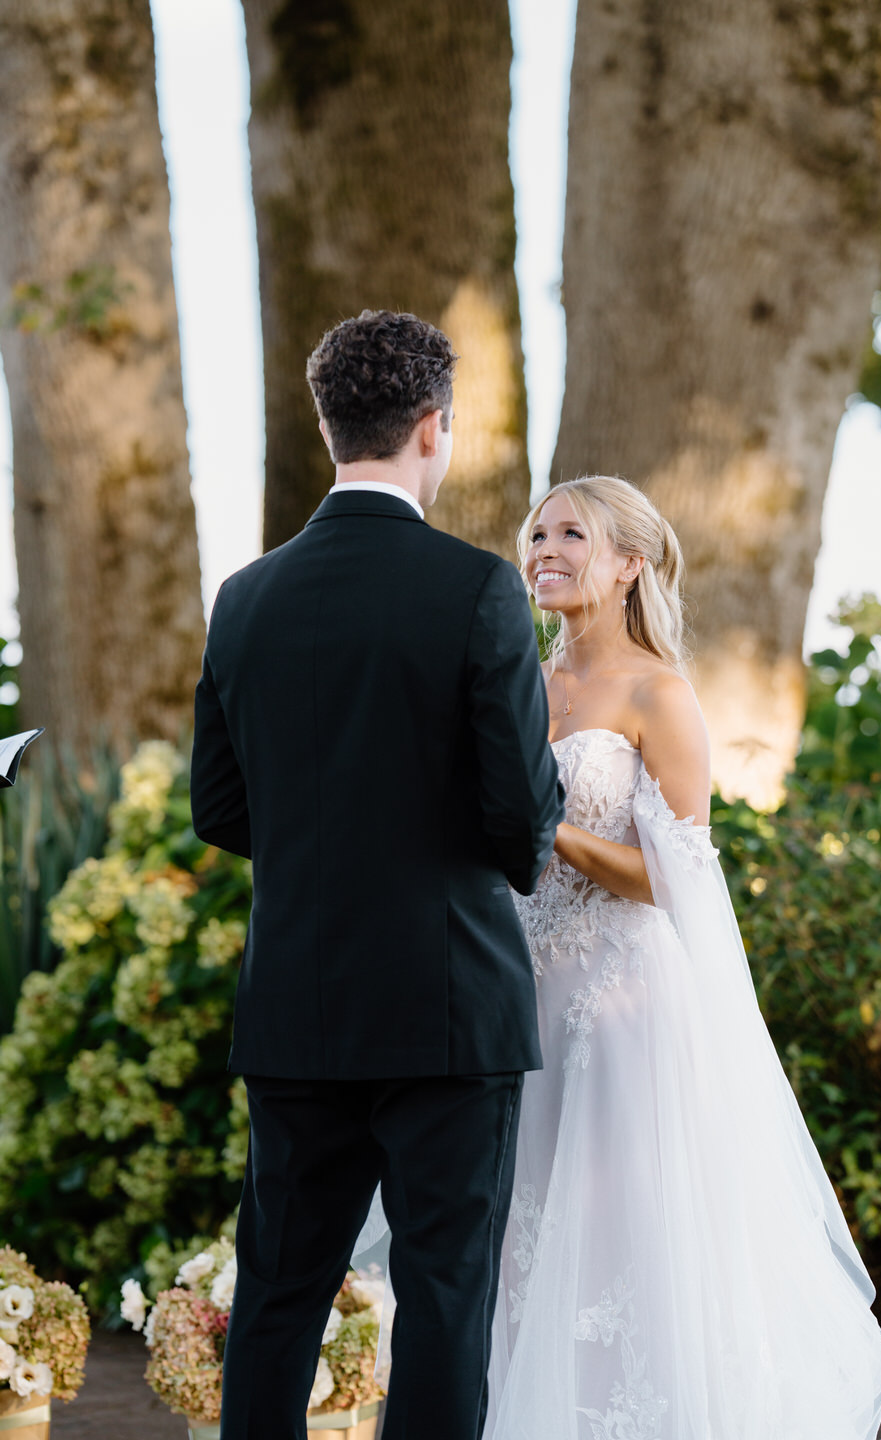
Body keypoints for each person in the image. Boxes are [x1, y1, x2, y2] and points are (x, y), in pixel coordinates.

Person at [190, 309, 565, 1440]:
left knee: (279, 1295)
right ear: (433, 429)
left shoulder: (244, 598)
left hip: (298, 1003)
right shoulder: (477, 590)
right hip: (449, 1007)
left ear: (324, 425)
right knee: (448, 1297)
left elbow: (219, 809)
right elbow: (518, 813)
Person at [484, 475, 881, 1440]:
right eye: (536, 533)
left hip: (620, 1011)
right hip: (519, 1000)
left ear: (628, 563)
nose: (542, 548)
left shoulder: (659, 693)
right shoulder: (517, 686)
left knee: (626, 1243)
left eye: (570, 533)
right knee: (526, 1242)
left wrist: (551, 831)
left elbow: (676, 878)